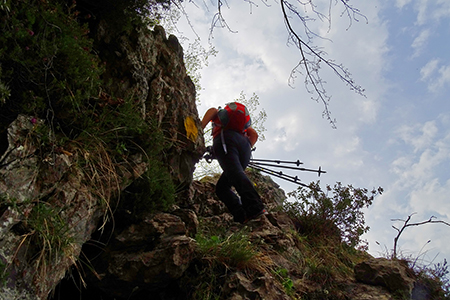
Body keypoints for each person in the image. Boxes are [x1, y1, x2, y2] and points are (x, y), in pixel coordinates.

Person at [201, 104, 267, 224]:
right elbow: (254, 135)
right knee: (222, 188)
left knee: (235, 174)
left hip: (225, 139)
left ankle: (255, 208)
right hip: (245, 147)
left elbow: (213, 111)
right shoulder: (242, 128)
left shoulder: (219, 116)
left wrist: (199, 131)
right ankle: (242, 216)